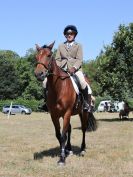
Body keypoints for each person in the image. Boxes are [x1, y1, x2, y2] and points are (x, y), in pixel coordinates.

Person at [42, 25, 92, 112]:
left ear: (74, 35)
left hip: (75, 70)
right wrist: (60, 67)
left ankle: (86, 104)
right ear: (65, 35)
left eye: (71, 33)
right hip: (62, 69)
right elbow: (57, 59)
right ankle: (46, 103)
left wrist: (74, 68)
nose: (69, 35)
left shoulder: (79, 45)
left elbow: (79, 59)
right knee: (44, 82)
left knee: (83, 82)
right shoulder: (61, 45)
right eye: (68, 34)